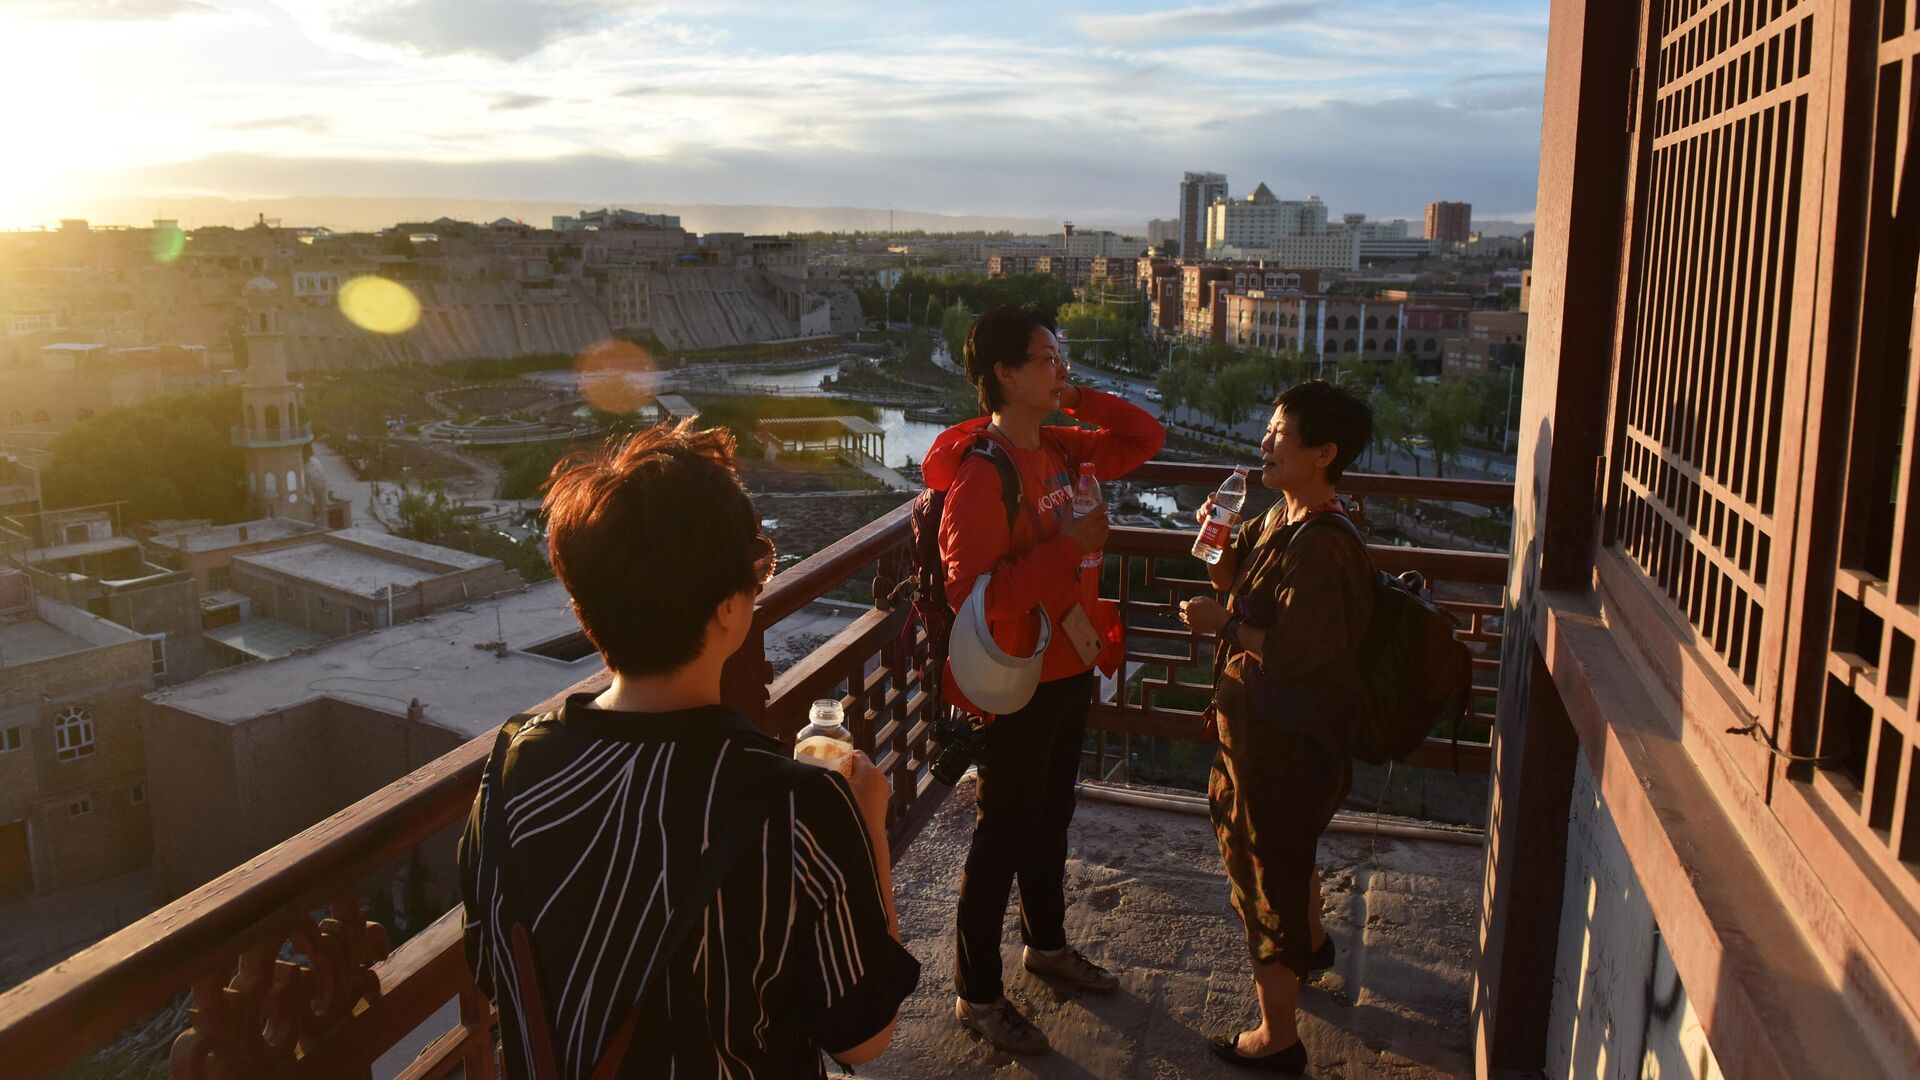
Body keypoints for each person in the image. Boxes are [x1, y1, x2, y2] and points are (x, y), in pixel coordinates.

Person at [458, 420, 919, 1078]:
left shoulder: (511, 772)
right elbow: (864, 1038)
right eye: (759, 565)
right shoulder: (796, 807)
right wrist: (869, 824)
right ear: (730, 609)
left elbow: (491, 957)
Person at [923, 303, 1166, 1054]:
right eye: (1047, 358)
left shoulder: (1061, 446)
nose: (1061, 367)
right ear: (1004, 372)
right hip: (1019, 679)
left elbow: (1145, 438)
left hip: (1070, 664)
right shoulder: (982, 475)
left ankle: (1047, 944)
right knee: (1003, 834)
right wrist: (1067, 549)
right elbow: (981, 601)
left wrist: (1079, 398)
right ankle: (978, 992)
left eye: (1062, 355)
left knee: (1052, 817)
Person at [1178, 380, 1374, 1074]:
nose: (1265, 443)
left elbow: (1290, 649)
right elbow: (1239, 585)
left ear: (1324, 453)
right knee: (1286, 859)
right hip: (1262, 739)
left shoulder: (1323, 545)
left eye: (1280, 434)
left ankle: (1277, 1036)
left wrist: (1221, 626)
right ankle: (1314, 945)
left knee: (1267, 882)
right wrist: (1220, 544)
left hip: (1286, 748)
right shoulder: (1279, 519)